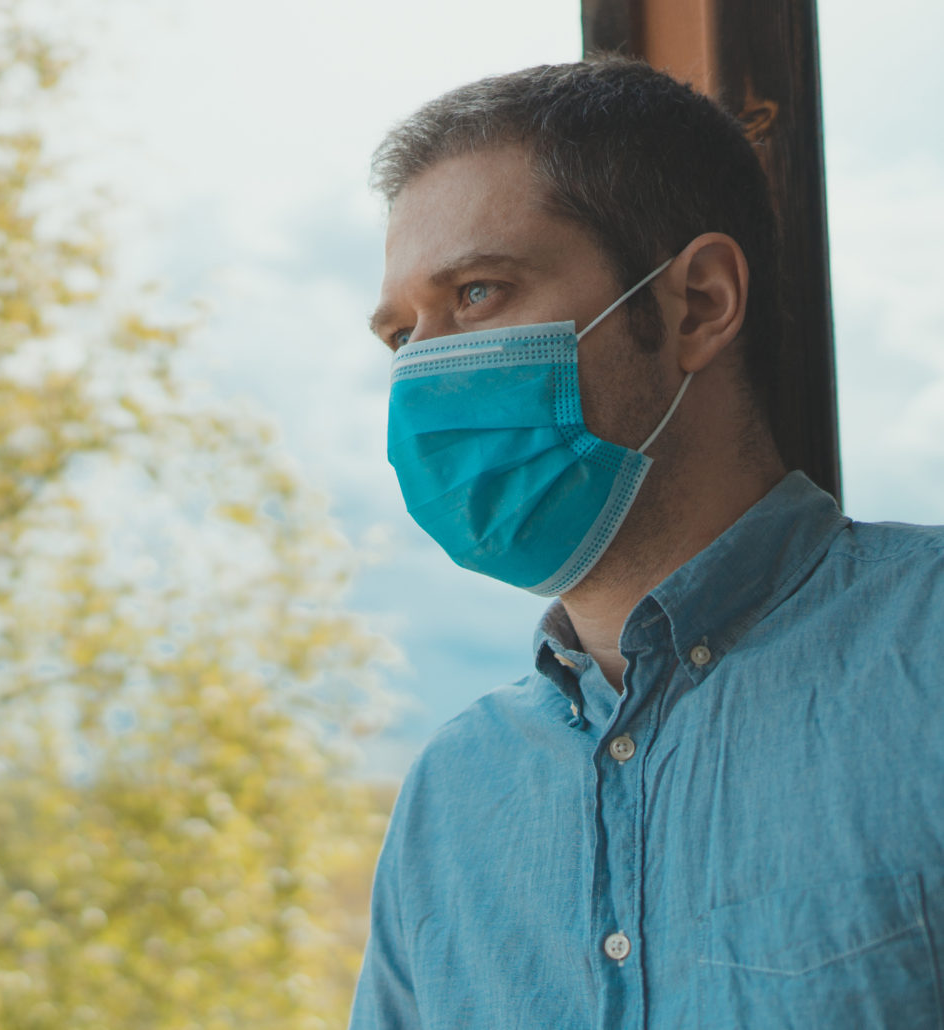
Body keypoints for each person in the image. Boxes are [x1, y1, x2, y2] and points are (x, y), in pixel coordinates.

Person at [351, 56, 944, 1029]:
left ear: (698, 303)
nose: (426, 370)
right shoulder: (449, 800)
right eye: (400, 335)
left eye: (477, 293)